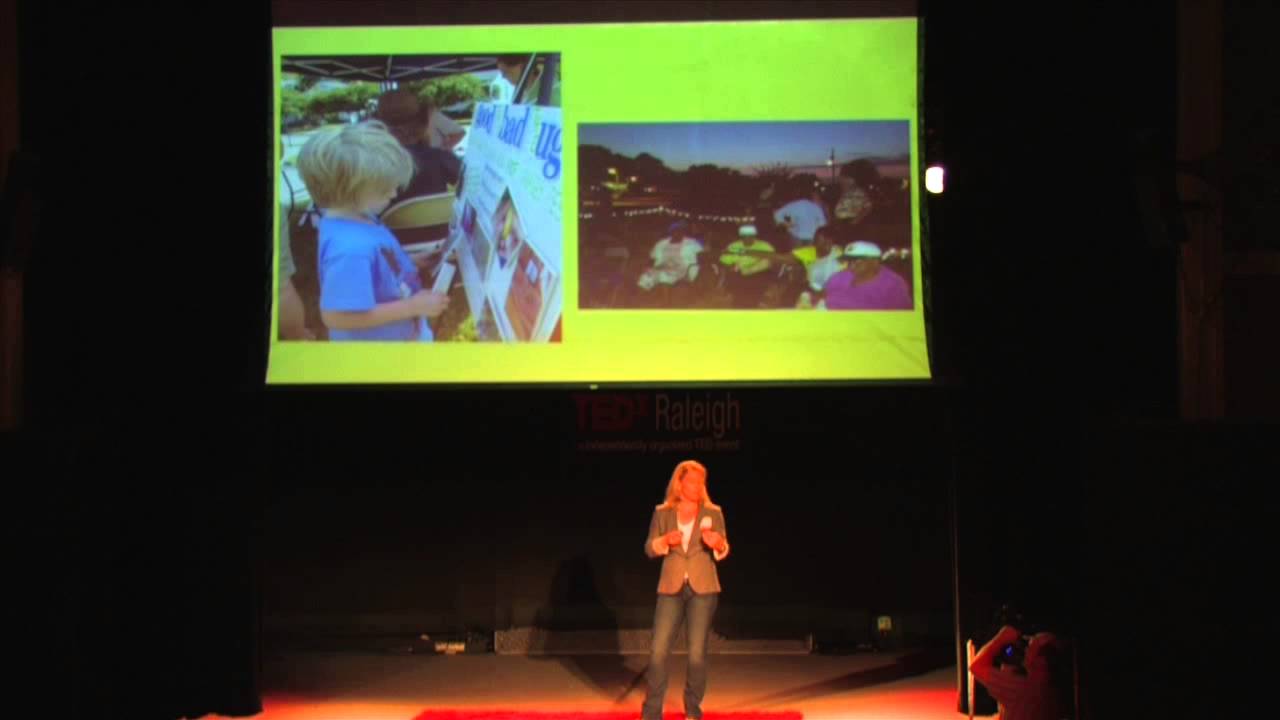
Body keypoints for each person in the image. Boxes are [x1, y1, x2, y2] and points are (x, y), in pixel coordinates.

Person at [296, 121, 449, 341]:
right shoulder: (350, 250)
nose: (394, 193)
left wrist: (411, 261)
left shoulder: (359, 217)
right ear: (351, 190)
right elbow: (338, 317)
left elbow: (377, 262)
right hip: (377, 353)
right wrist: (412, 307)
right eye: (384, 187)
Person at [642, 460, 730, 720]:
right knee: (658, 651)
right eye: (692, 480)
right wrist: (664, 541)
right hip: (671, 587)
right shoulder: (662, 512)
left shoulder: (713, 512)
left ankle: (693, 710)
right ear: (679, 483)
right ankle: (651, 713)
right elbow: (648, 547)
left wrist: (718, 543)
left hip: (703, 589)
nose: (698, 486)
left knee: (696, 654)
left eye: (701, 481)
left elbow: (724, 547)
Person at [373, 90, 460, 203]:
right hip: (438, 219)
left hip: (388, 220)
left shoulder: (370, 164)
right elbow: (471, 188)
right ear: (423, 124)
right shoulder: (440, 158)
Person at [970, 624, 1070, 720]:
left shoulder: (1019, 688)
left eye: (1031, 648)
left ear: (1042, 661)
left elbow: (976, 667)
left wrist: (1001, 637)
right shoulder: (1057, 689)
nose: (1026, 651)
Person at [822, 241, 912, 310]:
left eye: (857, 260)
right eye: (849, 260)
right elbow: (823, 297)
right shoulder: (838, 278)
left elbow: (900, 317)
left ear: (874, 261)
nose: (851, 264)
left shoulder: (894, 284)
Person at [719, 224, 776, 308]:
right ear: (741, 236)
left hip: (758, 273)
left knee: (756, 281)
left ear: (754, 236)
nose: (747, 239)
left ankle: (753, 301)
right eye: (744, 236)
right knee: (738, 286)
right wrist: (730, 266)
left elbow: (772, 260)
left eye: (750, 236)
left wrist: (752, 268)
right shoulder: (733, 246)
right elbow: (723, 261)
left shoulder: (764, 246)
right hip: (739, 273)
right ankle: (741, 302)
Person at [637, 221, 702, 291]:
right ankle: (645, 292)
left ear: (683, 232)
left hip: (682, 269)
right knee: (648, 273)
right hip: (662, 266)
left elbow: (702, 256)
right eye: (675, 230)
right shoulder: (662, 243)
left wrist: (698, 268)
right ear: (671, 232)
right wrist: (648, 265)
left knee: (662, 275)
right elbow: (653, 257)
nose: (678, 232)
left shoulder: (692, 243)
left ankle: (666, 300)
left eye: (681, 230)